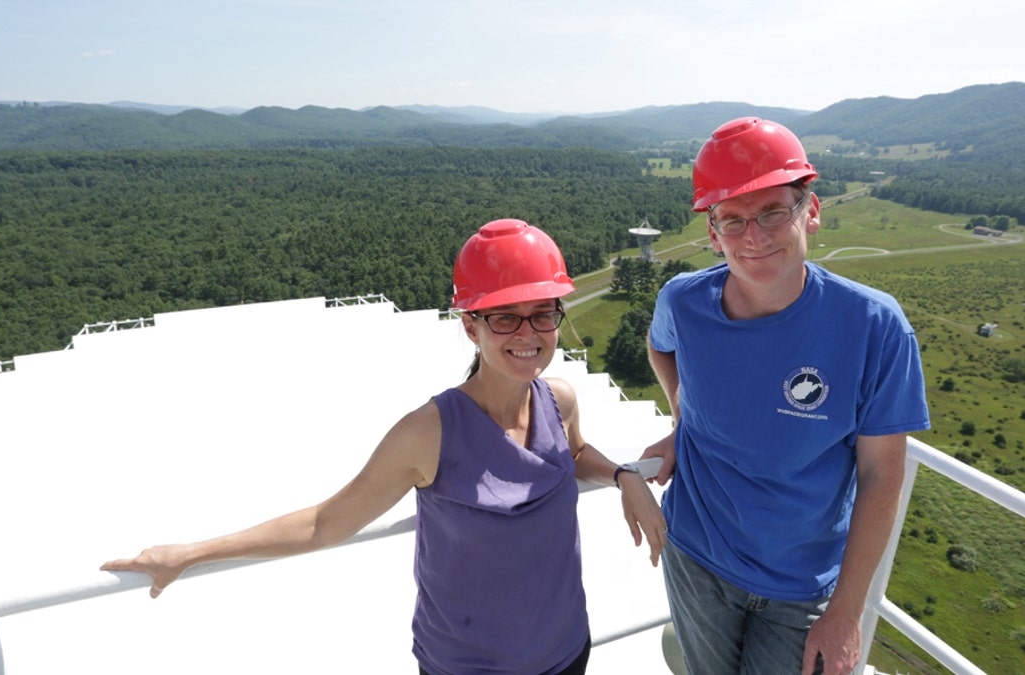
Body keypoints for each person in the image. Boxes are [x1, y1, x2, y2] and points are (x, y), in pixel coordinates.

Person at [102, 218, 668, 675]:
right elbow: (324, 523)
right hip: (467, 667)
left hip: (567, 650)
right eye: (504, 318)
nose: (528, 334)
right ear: (470, 326)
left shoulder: (557, 398)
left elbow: (572, 454)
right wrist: (191, 553)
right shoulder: (429, 432)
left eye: (542, 313)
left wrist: (623, 475)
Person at [641, 118, 930, 675]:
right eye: (732, 220)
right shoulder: (683, 303)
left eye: (774, 211)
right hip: (696, 557)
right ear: (712, 232)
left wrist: (846, 613)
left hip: (801, 584)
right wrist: (686, 422)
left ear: (811, 210)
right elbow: (662, 350)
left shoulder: (874, 326)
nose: (754, 236)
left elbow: (880, 475)